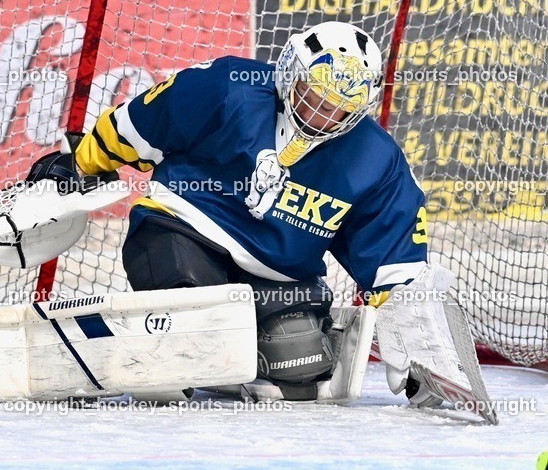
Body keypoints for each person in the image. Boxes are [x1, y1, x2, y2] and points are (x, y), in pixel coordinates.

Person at [56, 21, 433, 400]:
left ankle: (217, 359)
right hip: (186, 231)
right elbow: (139, 125)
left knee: (301, 363)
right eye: (313, 95)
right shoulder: (227, 87)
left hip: (277, 272)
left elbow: (395, 262)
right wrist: (82, 164)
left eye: (339, 109)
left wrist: (414, 338)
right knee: (189, 315)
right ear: (290, 71)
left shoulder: (377, 159)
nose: (321, 114)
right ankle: (153, 348)